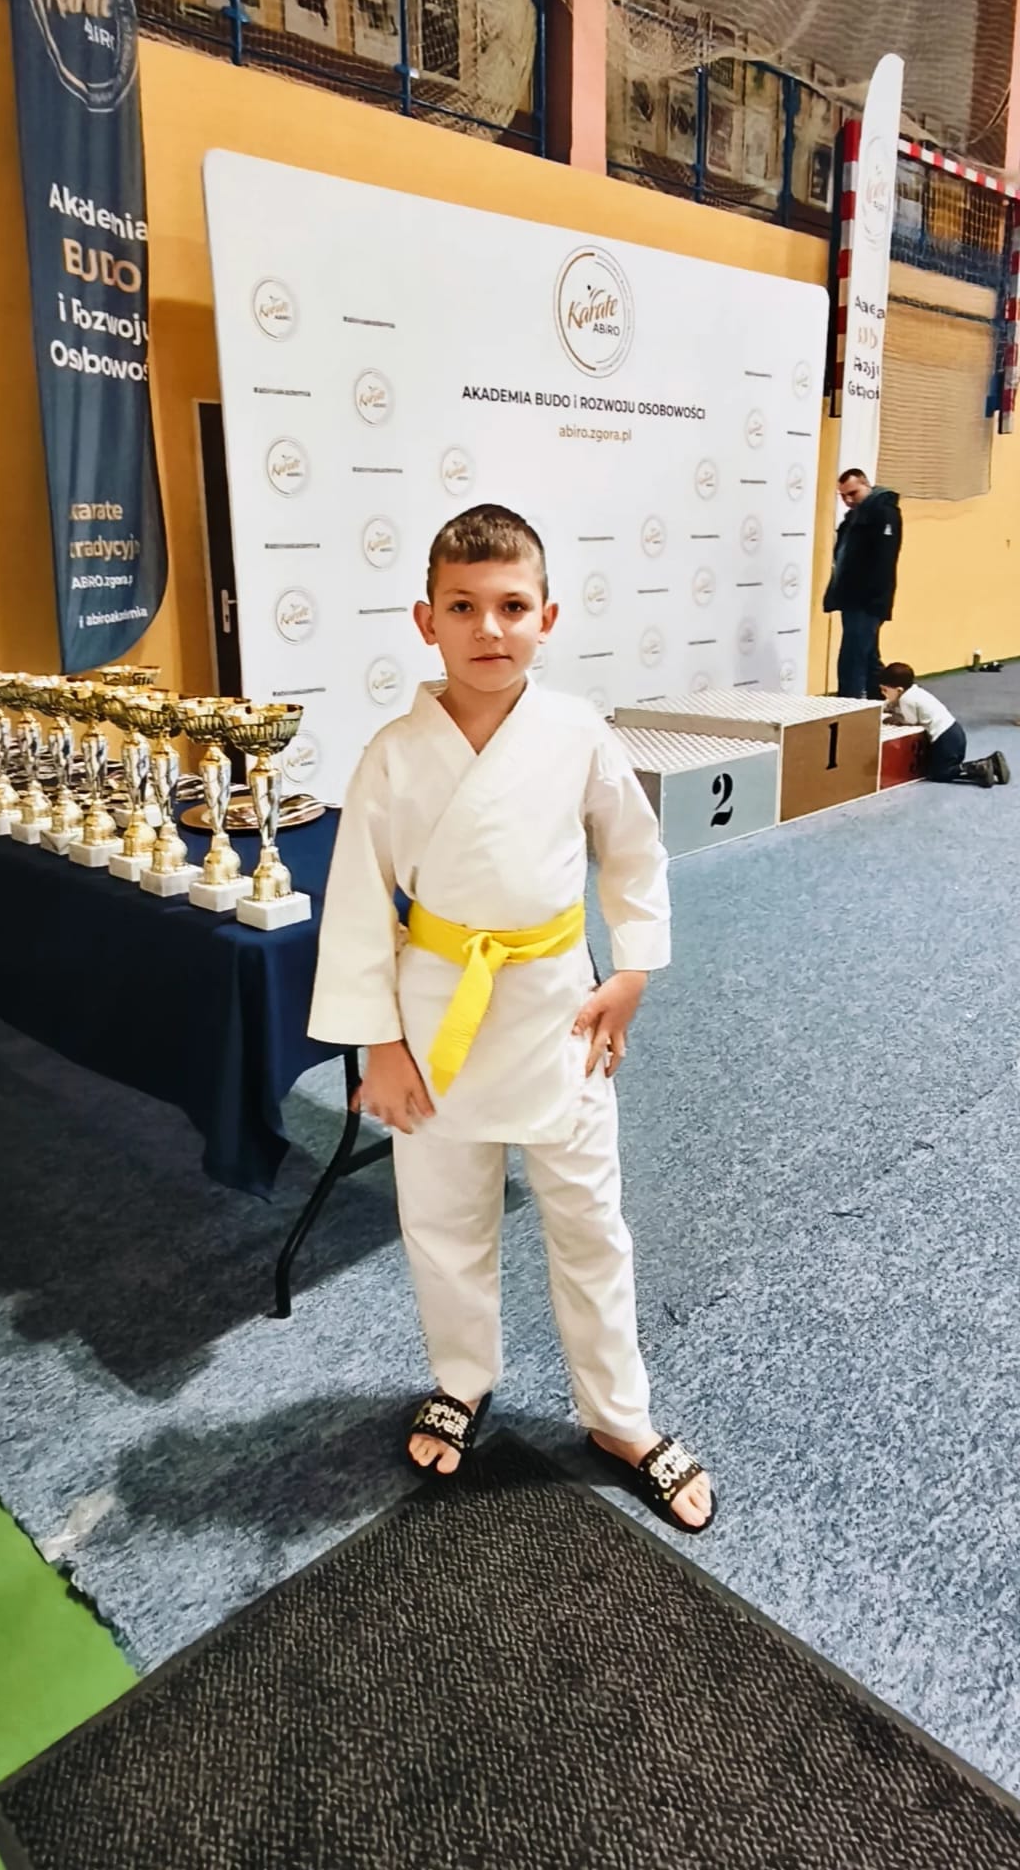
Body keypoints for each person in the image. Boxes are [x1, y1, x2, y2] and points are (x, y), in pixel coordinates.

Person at [309, 505, 714, 1533]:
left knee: (591, 1221)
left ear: (547, 618)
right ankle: (463, 1377)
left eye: (511, 606)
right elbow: (356, 904)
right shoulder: (394, 754)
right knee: (443, 1222)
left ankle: (619, 1415)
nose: (488, 627)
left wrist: (634, 971)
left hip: (557, 1010)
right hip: (435, 1017)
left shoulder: (577, 732)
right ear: (425, 621)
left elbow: (633, 851)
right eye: (462, 607)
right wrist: (381, 1045)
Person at [824, 469, 902, 699]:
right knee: (867, 656)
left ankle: (848, 705)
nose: (848, 500)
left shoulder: (885, 513)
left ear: (866, 485)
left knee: (853, 657)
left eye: (853, 493)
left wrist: (874, 598)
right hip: (852, 598)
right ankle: (885, 700)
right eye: (843, 496)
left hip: (867, 601)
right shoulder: (854, 518)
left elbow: (884, 561)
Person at [880, 661, 1010, 787]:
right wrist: (889, 706)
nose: (883, 694)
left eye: (885, 690)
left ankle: (978, 766)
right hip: (954, 732)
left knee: (939, 774)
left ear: (899, 690)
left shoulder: (906, 700)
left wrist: (895, 718)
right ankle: (990, 765)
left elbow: (911, 721)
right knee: (946, 768)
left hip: (945, 739)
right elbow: (895, 704)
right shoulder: (915, 691)